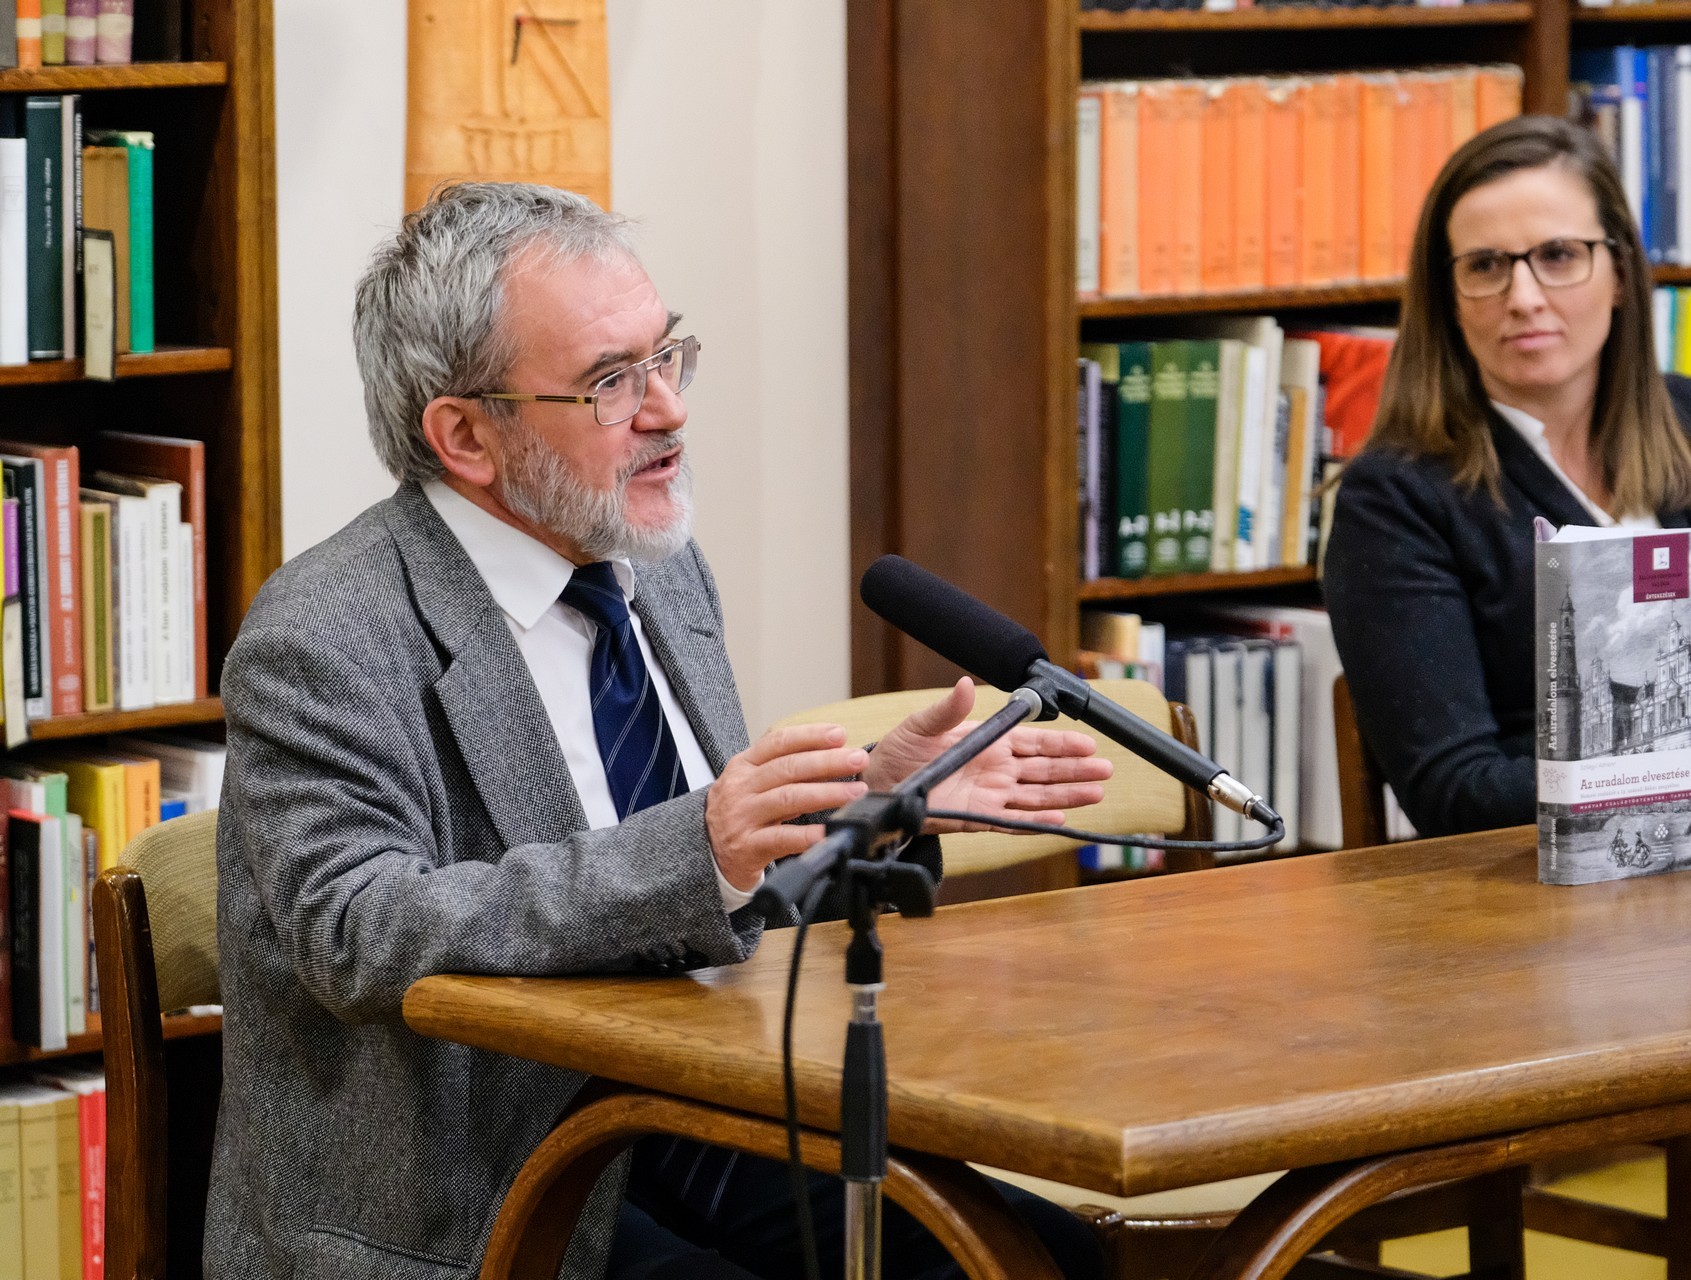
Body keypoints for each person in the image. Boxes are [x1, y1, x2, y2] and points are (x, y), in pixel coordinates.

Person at [205, 182, 1113, 1280]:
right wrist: (702, 846)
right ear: (466, 436)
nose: (669, 409)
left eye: (666, 355)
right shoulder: (325, 631)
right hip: (468, 1184)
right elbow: (357, 931)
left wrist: (871, 807)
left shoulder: (657, 568)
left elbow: (715, 902)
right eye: (611, 382)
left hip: (695, 1107)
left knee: (1034, 1258)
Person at [1323, 115, 1691, 839]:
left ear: (1619, 273)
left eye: (1559, 255)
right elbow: (1454, 792)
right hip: (1554, 884)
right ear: (1448, 299)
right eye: (1486, 266)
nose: (1524, 297)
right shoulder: (1395, 498)